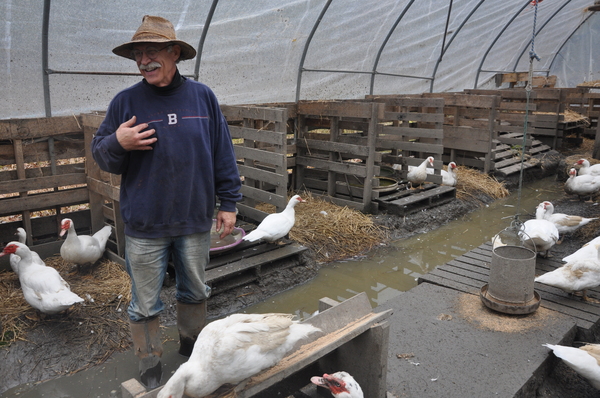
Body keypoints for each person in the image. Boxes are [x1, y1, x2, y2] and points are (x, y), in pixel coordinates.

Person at [91, 15, 242, 389]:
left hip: (194, 220)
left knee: (195, 290)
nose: (144, 60)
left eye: (152, 51)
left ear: (174, 52)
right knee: (144, 303)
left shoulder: (202, 97)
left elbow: (222, 152)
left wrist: (229, 202)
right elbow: (101, 154)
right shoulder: (125, 102)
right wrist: (117, 143)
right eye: (138, 54)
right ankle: (149, 365)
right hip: (145, 223)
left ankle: (191, 349)